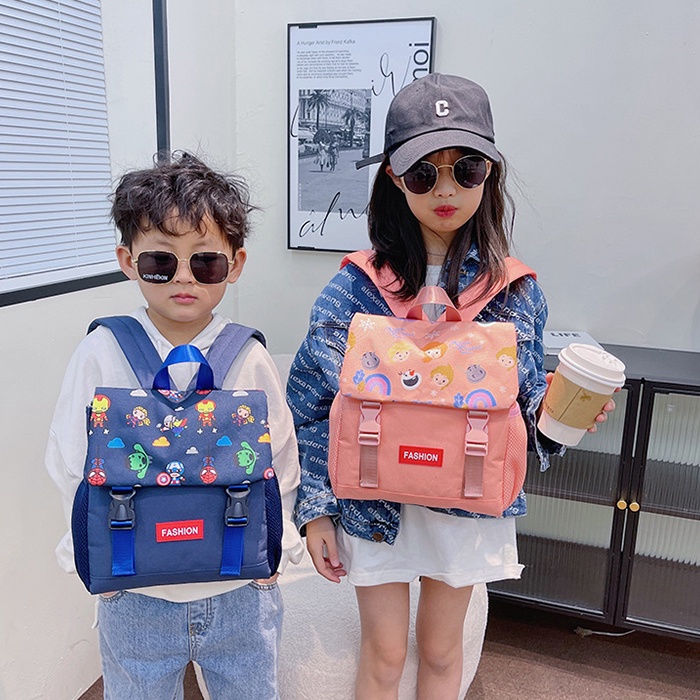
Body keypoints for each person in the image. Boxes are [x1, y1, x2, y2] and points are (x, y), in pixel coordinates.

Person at [287, 74, 615, 699]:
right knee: (384, 655)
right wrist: (317, 510)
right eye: (423, 173)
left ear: (490, 174)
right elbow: (311, 403)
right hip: (372, 501)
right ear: (393, 177)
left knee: (442, 653)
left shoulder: (516, 291)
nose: (446, 189)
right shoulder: (353, 287)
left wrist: (558, 418)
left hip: (465, 500)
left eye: (466, 169)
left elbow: (522, 417)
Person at [45, 152, 304, 700]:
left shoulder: (250, 356)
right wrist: (89, 555)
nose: (184, 276)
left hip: (239, 589)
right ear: (127, 260)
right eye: (161, 261)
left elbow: (282, 461)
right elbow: (70, 460)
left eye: (205, 262)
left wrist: (277, 552)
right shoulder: (100, 350)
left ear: (235, 264)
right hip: (134, 596)